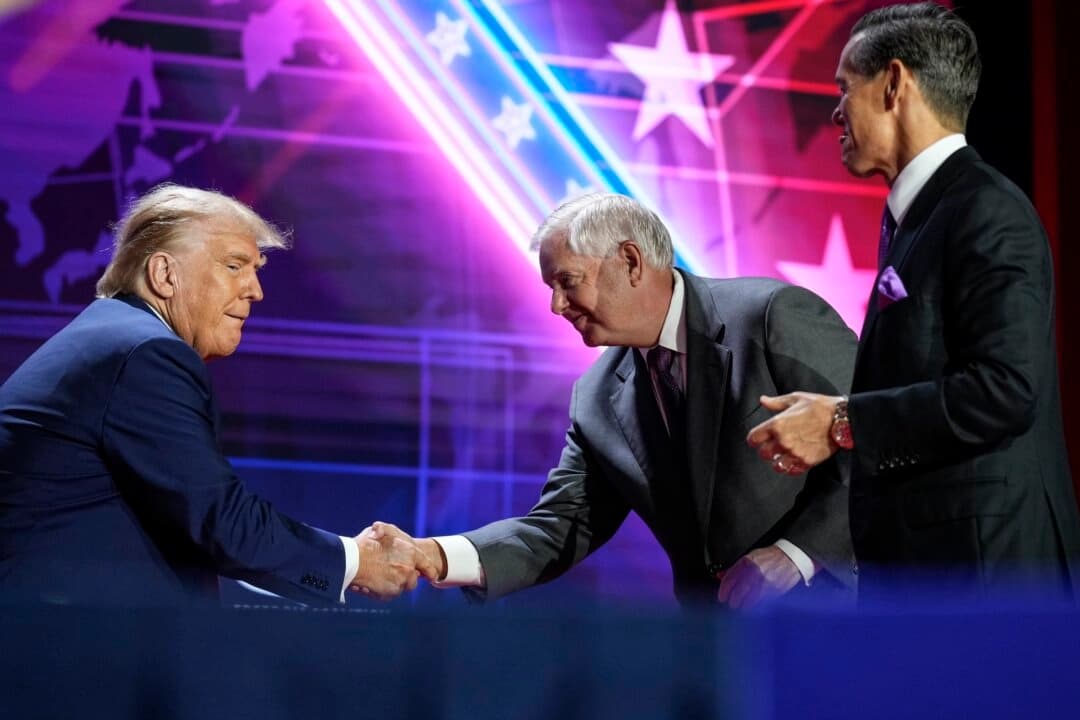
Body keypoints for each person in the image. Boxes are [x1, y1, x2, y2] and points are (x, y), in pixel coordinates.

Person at [374, 193, 857, 608]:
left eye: (567, 281)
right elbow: (558, 528)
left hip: (852, 615)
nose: (555, 306)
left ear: (629, 261)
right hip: (719, 648)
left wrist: (797, 553)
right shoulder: (596, 398)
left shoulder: (772, 316)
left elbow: (880, 437)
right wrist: (431, 554)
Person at [746, 2, 1080, 600]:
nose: (835, 110)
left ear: (894, 83)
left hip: (985, 583)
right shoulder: (922, 215)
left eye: (845, 88)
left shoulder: (986, 210)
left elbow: (1007, 390)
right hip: (934, 574)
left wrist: (843, 422)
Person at [0, 183, 436, 606]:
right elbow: (221, 521)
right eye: (234, 266)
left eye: (255, 270)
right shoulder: (146, 354)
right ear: (164, 274)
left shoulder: (114, 337)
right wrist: (355, 562)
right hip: (60, 653)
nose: (255, 290)